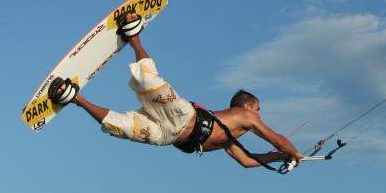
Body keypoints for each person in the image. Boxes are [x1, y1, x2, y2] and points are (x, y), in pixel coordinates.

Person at [48, 12, 305, 170]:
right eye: (258, 109)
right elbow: (276, 137)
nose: (259, 114)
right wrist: (293, 151)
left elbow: (248, 162)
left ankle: (76, 98)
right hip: (182, 115)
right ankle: (134, 37)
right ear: (247, 106)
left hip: (167, 135)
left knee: (120, 127)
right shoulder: (246, 116)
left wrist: (279, 158)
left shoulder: (229, 139)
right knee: (148, 82)